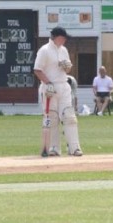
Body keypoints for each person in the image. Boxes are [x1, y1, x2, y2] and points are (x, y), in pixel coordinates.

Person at [34, 26, 83, 157]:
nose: (65, 40)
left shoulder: (64, 50)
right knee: (53, 118)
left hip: (64, 86)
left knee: (69, 116)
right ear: (56, 37)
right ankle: (54, 148)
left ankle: (74, 148)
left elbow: (66, 71)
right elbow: (37, 70)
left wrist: (67, 68)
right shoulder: (44, 50)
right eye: (63, 38)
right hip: (50, 88)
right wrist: (48, 83)